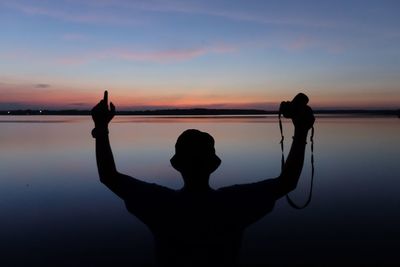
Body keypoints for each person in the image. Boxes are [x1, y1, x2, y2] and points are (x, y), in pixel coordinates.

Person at [91, 91, 315, 266]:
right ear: (215, 164)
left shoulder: (159, 205)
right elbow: (287, 182)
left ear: (175, 164)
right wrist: (301, 130)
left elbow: (109, 176)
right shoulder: (234, 204)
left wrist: (101, 128)